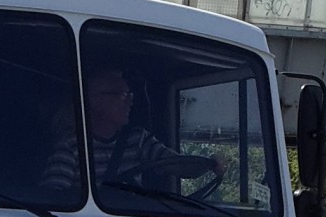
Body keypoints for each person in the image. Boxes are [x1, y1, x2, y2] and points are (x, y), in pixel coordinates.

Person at [43, 67, 224, 189]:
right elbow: (55, 197)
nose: (130, 101)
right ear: (93, 100)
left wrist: (209, 164)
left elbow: (178, 165)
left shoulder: (137, 140)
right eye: (121, 95)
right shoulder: (71, 146)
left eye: (129, 94)